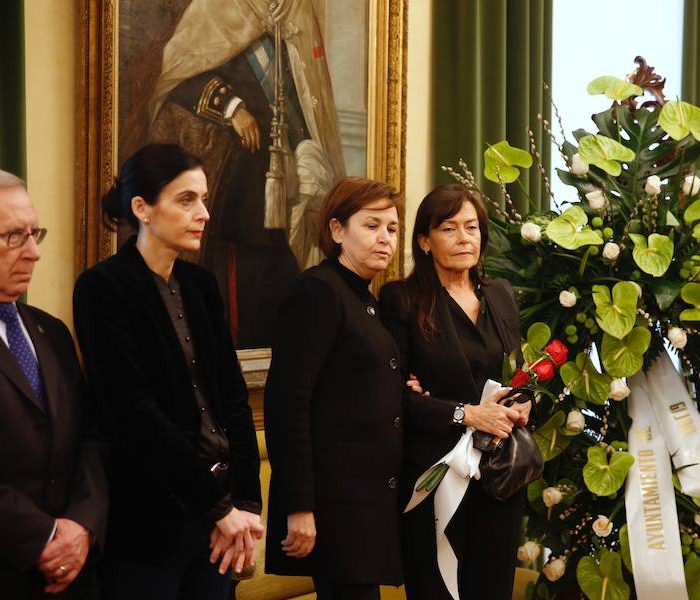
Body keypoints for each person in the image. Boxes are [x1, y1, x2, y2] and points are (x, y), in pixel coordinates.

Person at [73, 144, 263, 599]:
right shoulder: (103, 288)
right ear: (141, 208)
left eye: (202, 199)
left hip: (220, 514)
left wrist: (246, 503)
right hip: (148, 519)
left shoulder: (201, 285)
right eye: (186, 200)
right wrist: (218, 507)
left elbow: (232, 396)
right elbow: (133, 414)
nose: (203, 214)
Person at [148, 0, 346, 348]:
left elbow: (301, 96)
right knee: (242, 283)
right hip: (237, 187)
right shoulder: (216, 8)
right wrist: (231, 108)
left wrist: (306, 149)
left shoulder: (290, 18)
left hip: (282, 181)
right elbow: (177, 77)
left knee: (282, 279)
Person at [378, 184, 531, 600]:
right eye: (450, 229)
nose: (465, 238)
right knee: (437, 589)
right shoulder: (402, 300)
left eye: (472, 227)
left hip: (499, 472)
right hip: (437, 470)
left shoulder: (499, 294)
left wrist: (524, 400)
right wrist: (465, 413)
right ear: (425, 242)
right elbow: (394, 397)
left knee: (492, 587)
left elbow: (517, 374)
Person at [0, 166, 107, 598]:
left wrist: (81, 525)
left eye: (34, 234)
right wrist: (43, 538)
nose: (33, 252)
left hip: (72, 573)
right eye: (14, 236)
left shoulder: (52, 331)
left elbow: (91, 435)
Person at [264, 177, 404, 599]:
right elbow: (288, 403)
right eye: (372, 225)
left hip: (363, 506)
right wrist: (300, 507)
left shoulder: (363, 297)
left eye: (393, 229)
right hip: (333, 507)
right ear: (337, 230)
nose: (385, 239)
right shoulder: (319, 290)